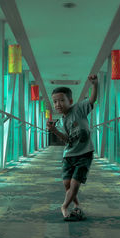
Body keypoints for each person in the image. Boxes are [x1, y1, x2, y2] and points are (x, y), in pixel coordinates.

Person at [46, 74, 98, 221]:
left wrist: (95, 84)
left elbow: (92, 99)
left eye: (62, 100)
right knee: (67, 183)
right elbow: (67, 139)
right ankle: (77, 206)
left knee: (75, 183)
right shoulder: (62, 120)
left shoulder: (79, 108)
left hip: (84, 153)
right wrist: (55, 131)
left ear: (71, 101)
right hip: (68, 155)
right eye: (55, 101)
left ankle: (64, 206)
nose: (58, 104)